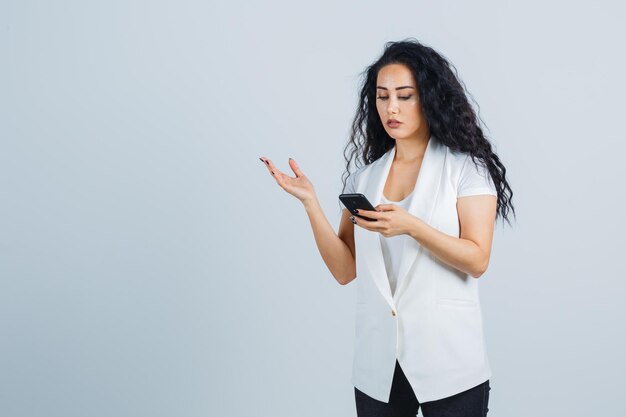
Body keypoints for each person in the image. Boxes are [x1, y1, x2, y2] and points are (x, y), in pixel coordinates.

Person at [259, 38, 515, 417]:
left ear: (429, 98)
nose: (391, 107)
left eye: (405, 96)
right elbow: (346, 271)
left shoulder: (466, 169)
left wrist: (412, 226)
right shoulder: (364, 179)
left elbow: (477, 259)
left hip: (449, 360)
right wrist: (310, 203)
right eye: (382, 96)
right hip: (379, 363)